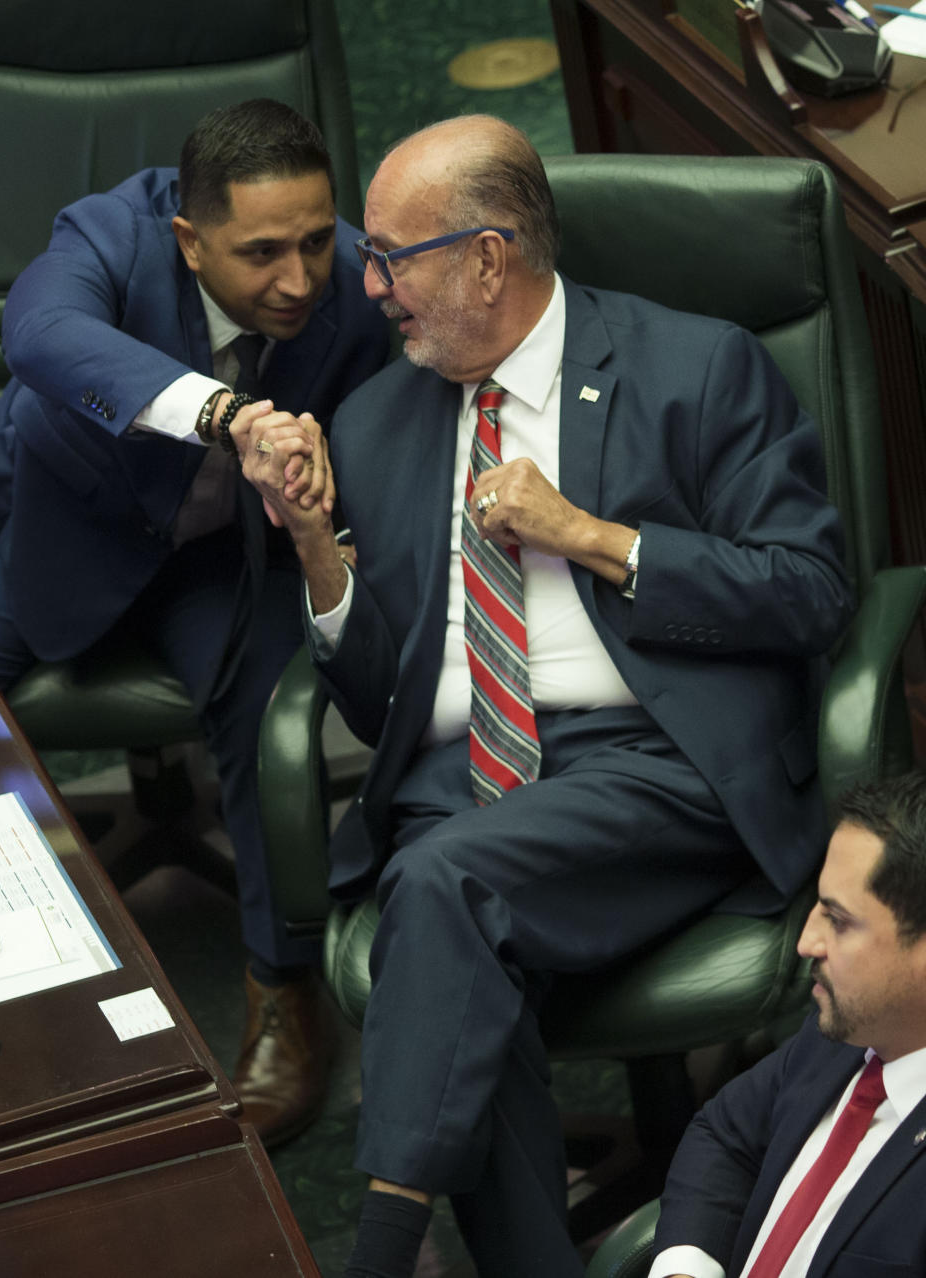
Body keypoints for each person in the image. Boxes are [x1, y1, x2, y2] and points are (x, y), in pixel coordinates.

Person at [241, 114, 853, 1276]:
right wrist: (318, 547)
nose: (367, 288)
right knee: (469, 956)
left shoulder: (695, 365)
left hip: (652, 760)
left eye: (392, 256)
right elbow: (376, 704)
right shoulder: (379, 422)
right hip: (457, 779)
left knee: (444, 886)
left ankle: (378, 1249)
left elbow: (812, 593)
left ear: (487, 255)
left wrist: (592, 536)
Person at [0, 98, 388, 1146]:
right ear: (189, 240)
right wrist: (228, 414)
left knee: (268, 725)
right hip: (42, 532)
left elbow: (390, 425)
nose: (298, 280)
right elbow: (42, 332)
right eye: (260, 255)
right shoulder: (111, 232)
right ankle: (5, 985)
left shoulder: (354, 281)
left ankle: (284, 989)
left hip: (221, 556)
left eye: (312, 242)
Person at [648, 769, 926, 1278]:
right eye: (817, 905)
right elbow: (726, 1134)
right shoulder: (844, 1033)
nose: (806, 942)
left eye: (838, 920)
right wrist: (687, 1267)